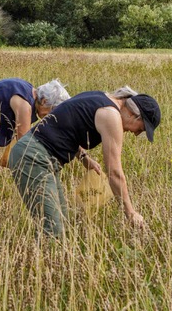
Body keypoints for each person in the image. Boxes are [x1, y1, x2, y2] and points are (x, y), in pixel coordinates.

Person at [8, 87, 160, 239]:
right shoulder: (111, 116)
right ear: (134, 115)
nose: (136, 133)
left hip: (37, 155)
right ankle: (37, 260)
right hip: (33, 157)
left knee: (62, 220)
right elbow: (114, 172)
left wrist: (84, 158)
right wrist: (130, 212)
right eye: (141, 129)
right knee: (53, 229)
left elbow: (66, 127)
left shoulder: (100, 98)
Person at [0, 78, 70, 226]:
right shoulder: (25, 105)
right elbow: (25, 144)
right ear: (44, 101)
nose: (50, 116)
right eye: (52, 110)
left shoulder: (28, 91)